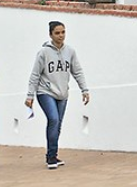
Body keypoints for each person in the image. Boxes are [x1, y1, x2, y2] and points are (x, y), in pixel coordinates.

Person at [25, 21, 90, 169]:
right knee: (53, 119)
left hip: (62, 93)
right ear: (50, 35)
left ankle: (52, 155)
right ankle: (51, 157)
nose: (61, 36)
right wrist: (30, 96)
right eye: (57, 33)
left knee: (58, 124)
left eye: (63, 32)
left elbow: (77, 71)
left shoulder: (70, 52)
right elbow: (35, 75)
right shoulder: (43, 53)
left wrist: (84, 90)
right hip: (45, 92)